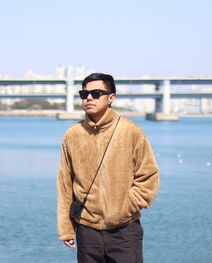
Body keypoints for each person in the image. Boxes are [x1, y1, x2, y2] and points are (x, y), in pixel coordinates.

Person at [57, 72, 160, 262]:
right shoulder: (72, 135)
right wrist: (66, 228)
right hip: (87, 232)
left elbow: (149, 176)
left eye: (96, 93)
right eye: (84, 94)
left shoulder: (131, 131)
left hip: (124, 231)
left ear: (111, 97)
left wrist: (126, 207)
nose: (89, 98)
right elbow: (65, 185)